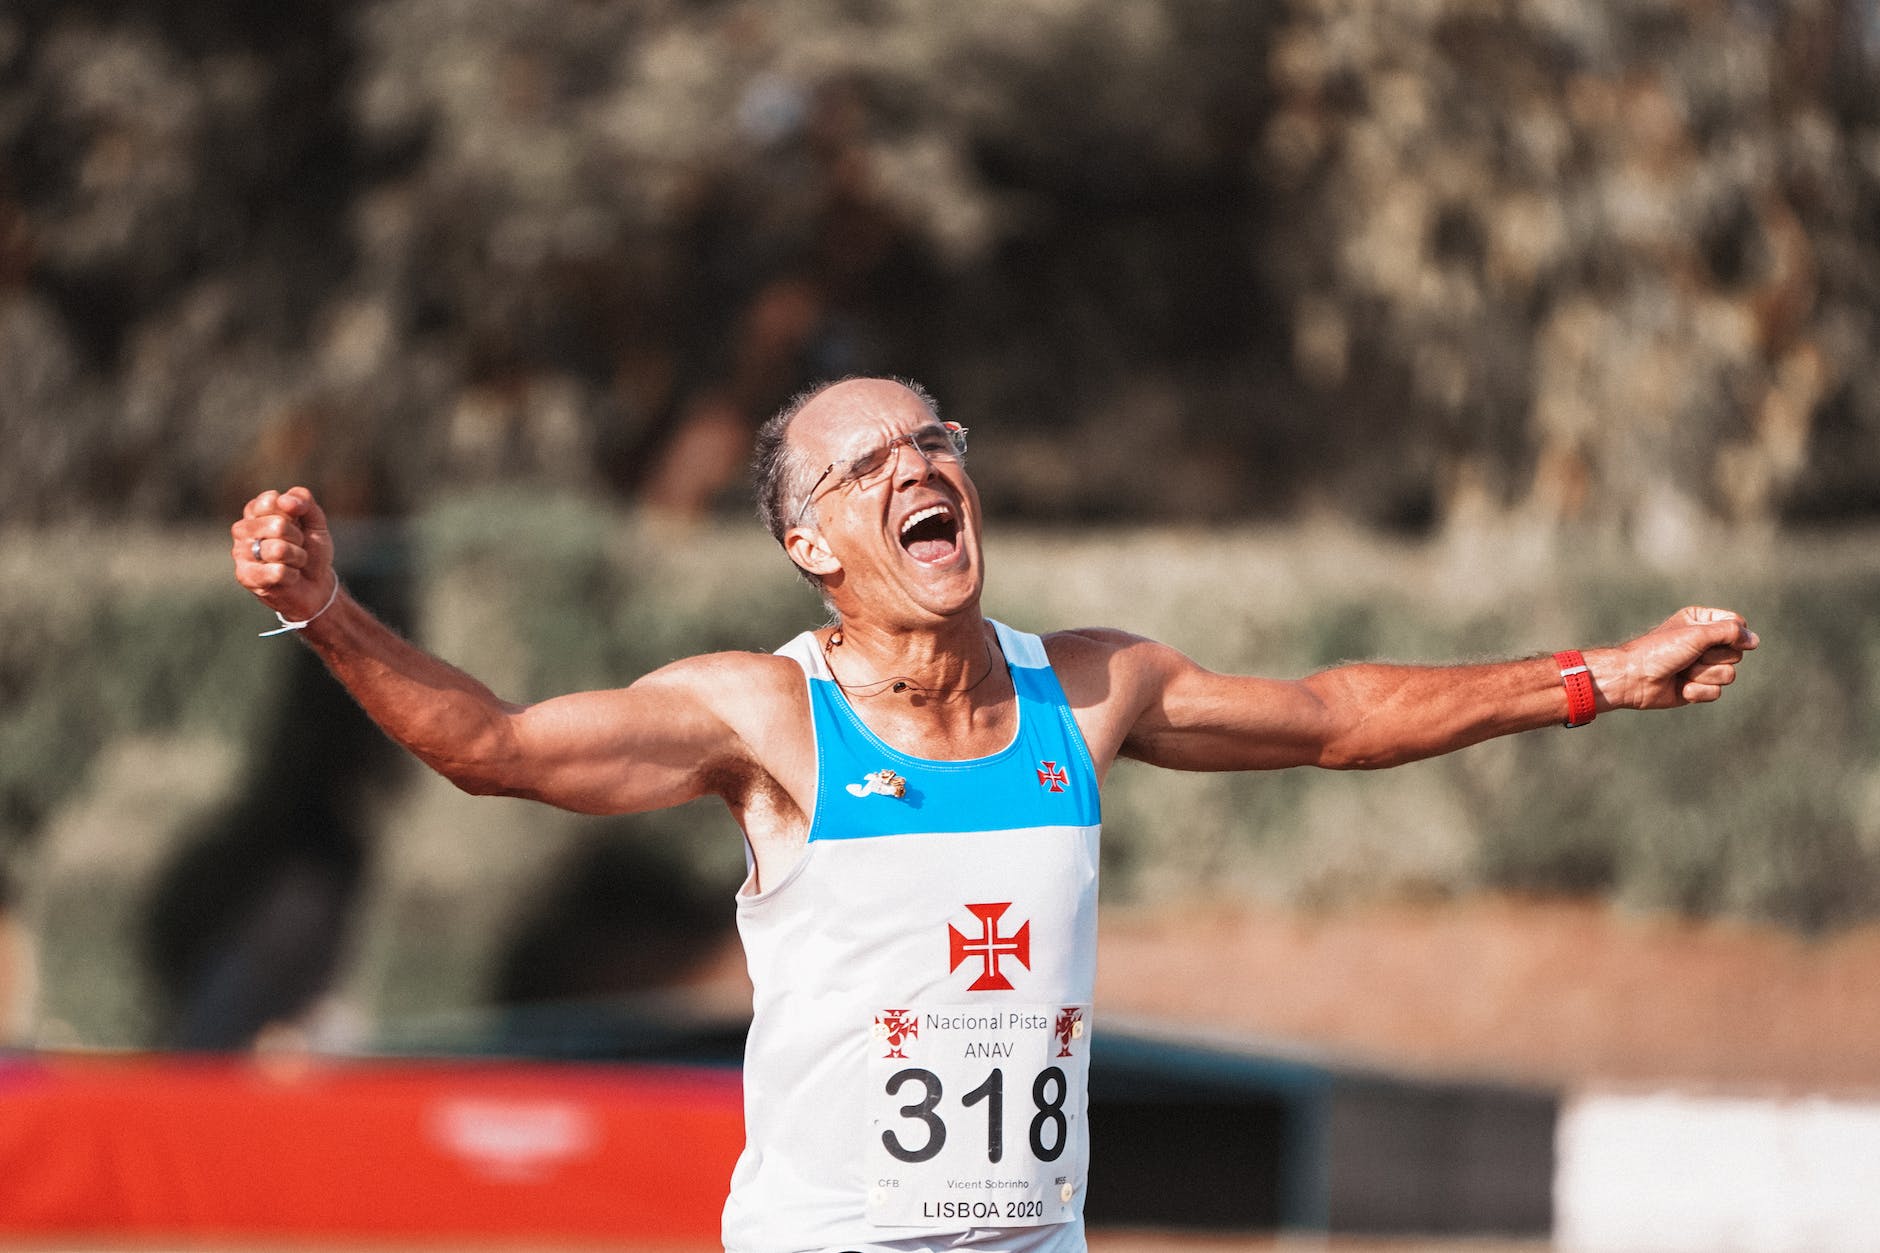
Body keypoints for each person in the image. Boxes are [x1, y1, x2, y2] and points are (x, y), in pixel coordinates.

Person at [232, 375, 1757, 1253]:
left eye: (936, 440)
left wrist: (1596, 676)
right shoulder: (762, 718)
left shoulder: (1087, 694)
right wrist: (329, 612)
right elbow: (495, 743)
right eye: (869, 461)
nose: (921, 465)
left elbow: (1338, 713)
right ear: (808, 540)